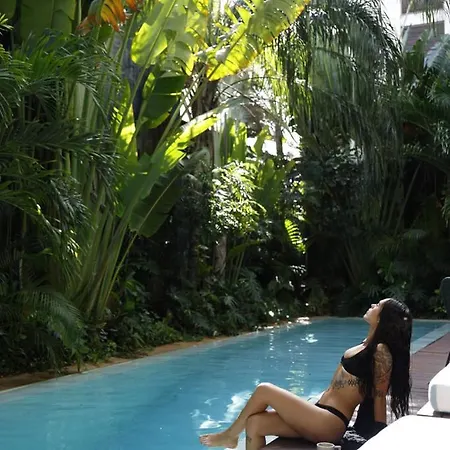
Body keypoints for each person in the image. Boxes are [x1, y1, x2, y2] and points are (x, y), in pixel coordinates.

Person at [199, 298, 412, 450]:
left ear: (383, 318)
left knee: (264, 390)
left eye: (378, 306)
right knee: (255, 423)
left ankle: (230, 435)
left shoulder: (381, 352)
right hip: (318, 414)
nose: (372, 305)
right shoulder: (366, 344)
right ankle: (232, 436)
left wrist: (379, 439)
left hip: (330, 422)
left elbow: (379, 397)